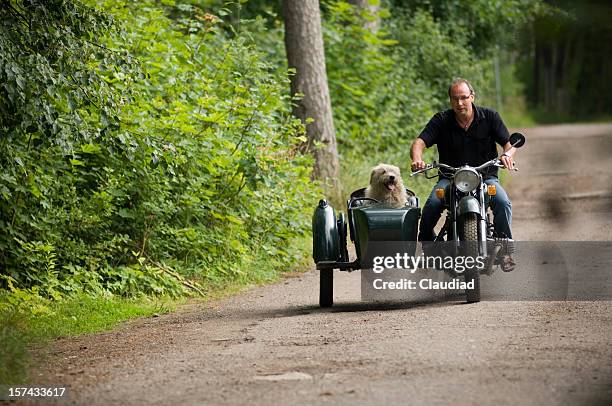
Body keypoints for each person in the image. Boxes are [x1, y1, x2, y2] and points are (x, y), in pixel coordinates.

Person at [410, 78, 516, 248]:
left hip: (485, 177)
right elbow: (419, 143)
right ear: (450, 100)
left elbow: (509, 144)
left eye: (464, 97)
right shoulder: (441, 120)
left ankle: (506, 247)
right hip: (450, 179)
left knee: (502, 202)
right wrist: (417, 159)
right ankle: (427, 245)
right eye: (455, 98)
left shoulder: (490, 117)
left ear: (472, 97)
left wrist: (507, 155)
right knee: (432, 204)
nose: (460, 103)